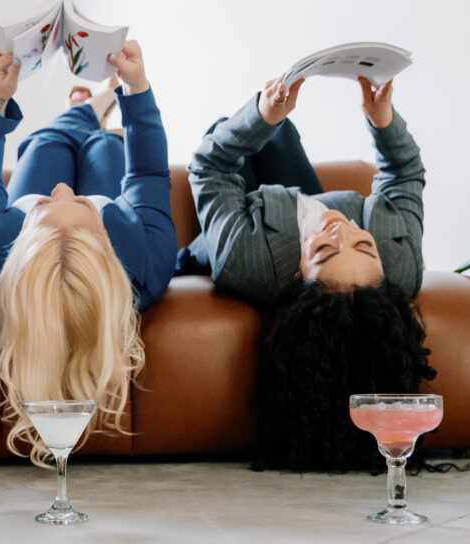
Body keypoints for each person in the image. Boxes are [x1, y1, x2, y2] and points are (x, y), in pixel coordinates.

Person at [182, 75, 435, 471]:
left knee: (223, 130)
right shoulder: (400, 263)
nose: (342, 229)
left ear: (299, 277)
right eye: (363, 243)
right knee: (282, 133)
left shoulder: (244, 258)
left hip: (251, 223)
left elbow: (210, 166)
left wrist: (259, 118)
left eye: (325, 250)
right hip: (299, 202)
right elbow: (405, 174)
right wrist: (381, 119)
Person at [0, 41, 175, 466]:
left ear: (19, 245)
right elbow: (148, 174)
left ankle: (87, 108)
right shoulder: (146, 266)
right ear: (109, 254)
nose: (65, 190)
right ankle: (96, 114)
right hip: (111, 214)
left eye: (48, 206)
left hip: (37, 213)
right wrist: (137, 89)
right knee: (105, 147)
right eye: (82, 204)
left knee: (46, 141)